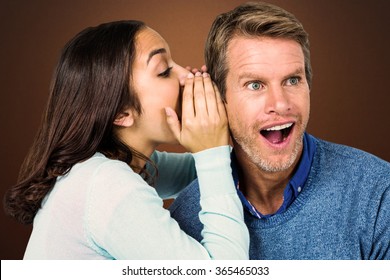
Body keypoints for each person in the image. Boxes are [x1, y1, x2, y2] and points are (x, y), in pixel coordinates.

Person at [3, 20, 249, 259]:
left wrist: (228, 129)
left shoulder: (112, 165)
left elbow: (201, 171)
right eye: (164, 71)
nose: (187, 75)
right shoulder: (107, 186)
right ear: (121, 113)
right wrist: (212, 151)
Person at [170, 2, 390, 259]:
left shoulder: (378, 195)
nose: (280, 104)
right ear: (219, 98)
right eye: (255, 85)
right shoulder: (184, 221)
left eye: (293, 80)